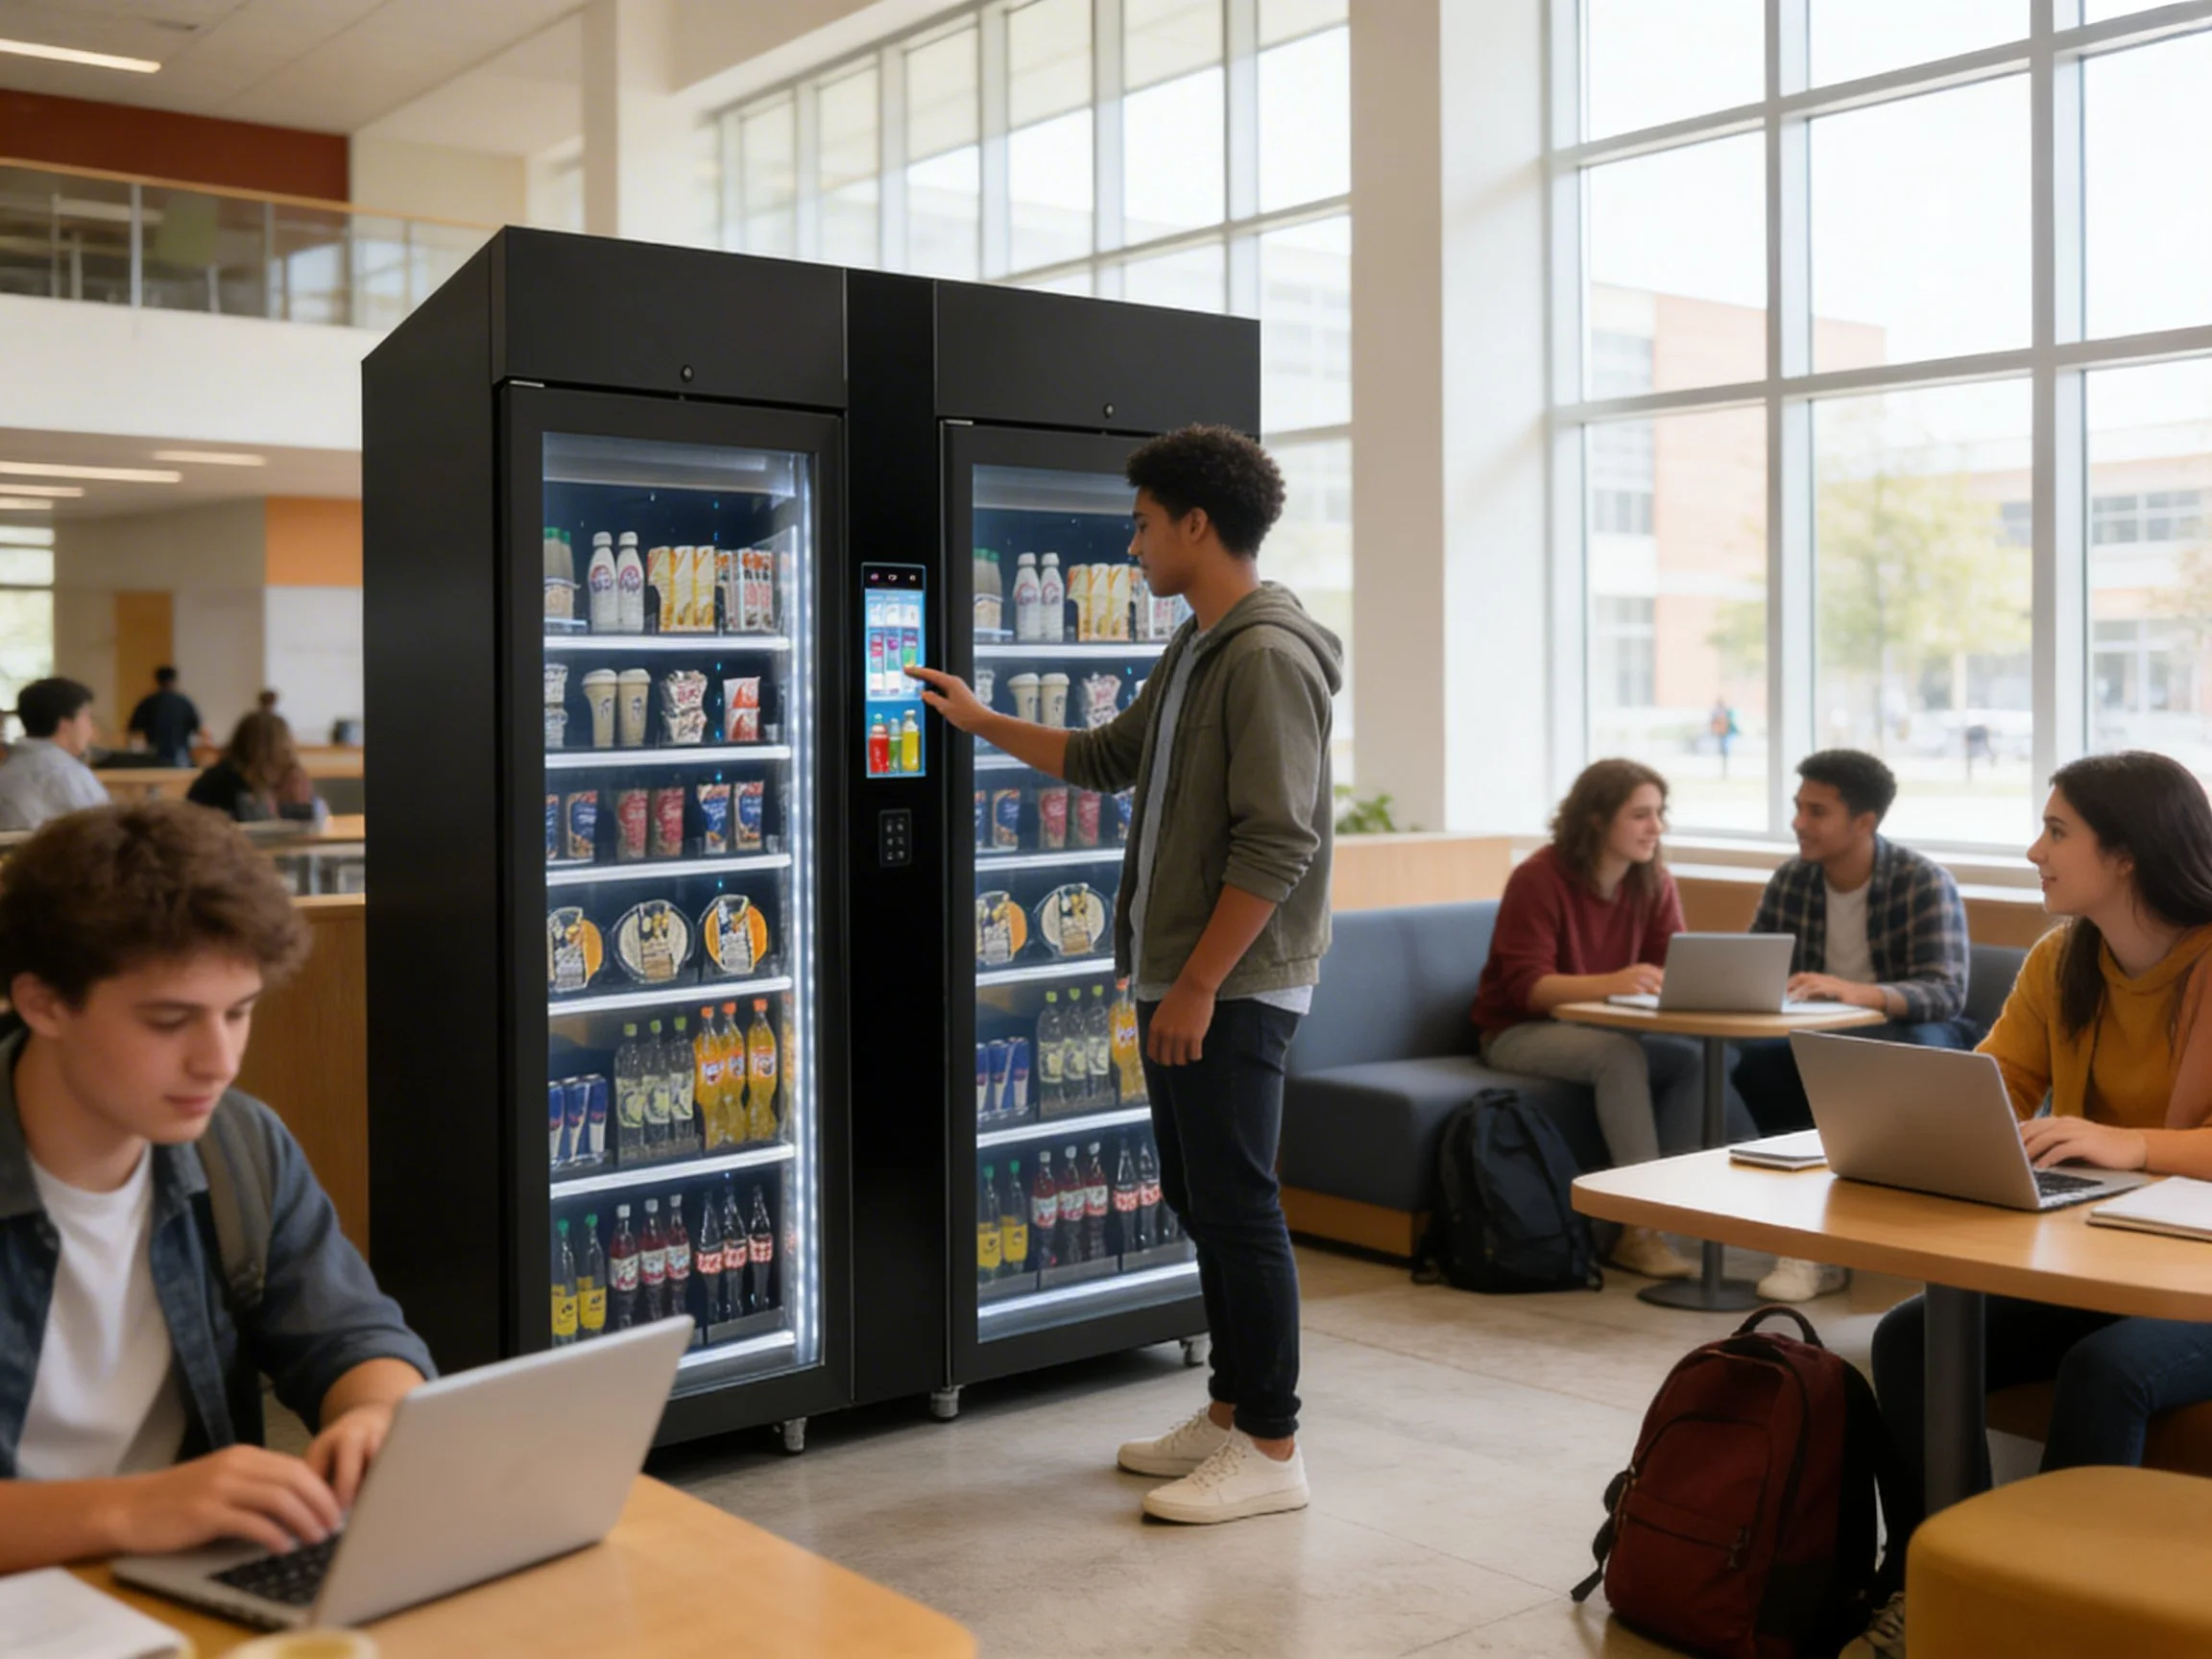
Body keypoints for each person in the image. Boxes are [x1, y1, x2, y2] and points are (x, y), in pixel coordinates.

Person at [911, 424, 1339, 1527]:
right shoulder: (1197, 645)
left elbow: (1278, 842)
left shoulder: (1265, 656)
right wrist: (975, 716)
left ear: (1198, 525)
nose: (1131, 542)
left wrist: (1198, 984)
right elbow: (1106, 760)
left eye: (1144, 523)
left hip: (1233, 983)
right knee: (1200, 1198)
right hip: (1182, 972)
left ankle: (1276, 1448)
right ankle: (1233, 1406)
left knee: (1239, 1206)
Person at [0, 801, 432, 1573]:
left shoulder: (239, 1143)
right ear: (43, 1003)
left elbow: (351, 1337)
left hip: (177, 1588)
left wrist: (377, 1417)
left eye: (240, 1013)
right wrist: (131, 1508)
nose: (219, 1061)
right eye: (169, 1022)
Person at [1850, 753, 2212, 1659]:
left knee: (2109, 1367)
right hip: (2107, 1254)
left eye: (2056, 832)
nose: (2032, 851)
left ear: (2126, 853)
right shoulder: (2063, 959)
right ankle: (1941, 1581)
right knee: (1908, 1337)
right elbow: (1997, 1084)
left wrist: (2130, 1144)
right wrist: (1914, 1124)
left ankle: (2056, 1617)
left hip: (2197, 1278)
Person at [1469, 758, 1752, 1281]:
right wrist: (1614, 981)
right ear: (1597, 819)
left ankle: (1681, 1204)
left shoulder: (1653, 882)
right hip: (1516, 1033)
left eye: (1660, 814)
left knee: (1706, 1061)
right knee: (1620, 1057)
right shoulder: (1539, 878)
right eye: (1640, 815)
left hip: (1607, 1029)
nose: (1656, 827)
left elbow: (1670, 969)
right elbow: (1527, 988)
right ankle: (1638, 1230)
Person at [1733, 750, 1978, 1303]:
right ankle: (1808, 1236)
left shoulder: (1921, 881)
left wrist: (1858, 993)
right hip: (1820, 1037)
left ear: (1864, 822)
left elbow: (1945, 992)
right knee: (1755, 1066)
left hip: (1905, 1034)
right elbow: (1756, 964)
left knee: (1918, 1052)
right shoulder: (1792, 881)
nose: (1799, 822)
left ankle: (1875, 1240)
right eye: (1798, 807)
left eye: (1816, 811)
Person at [0, 677, 110, 831]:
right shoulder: (68, 773)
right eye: (87, 716)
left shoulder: (7, 769)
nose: (91, 727)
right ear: (65, 723)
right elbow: (105, 833)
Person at [188, 711, 324, 824]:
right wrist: (291, 803)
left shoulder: (229, 774)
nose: (288, 753)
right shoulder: (229, 781)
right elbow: (261, 833)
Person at [126, 666, 207, 769]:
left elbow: (133, 732)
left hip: (154, 756)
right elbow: (201, 732)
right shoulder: (184, 703)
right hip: (180, 757)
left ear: (156, 681)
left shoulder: (148, 702)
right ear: (175, 681)